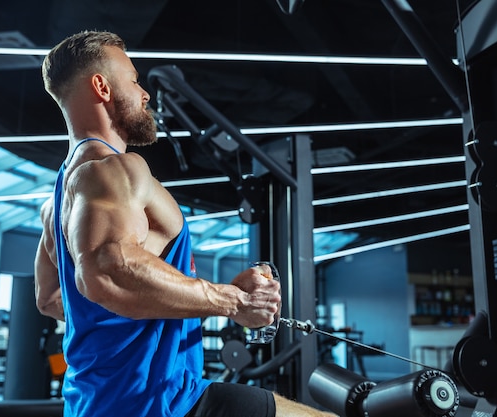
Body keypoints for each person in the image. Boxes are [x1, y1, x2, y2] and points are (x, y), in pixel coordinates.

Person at [34, 30, 335, 417]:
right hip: (160, 402)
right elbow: (108, 271)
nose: (144, 94)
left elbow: (51, 299)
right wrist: (234, 301)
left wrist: (156, 308)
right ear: (101, 87)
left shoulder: (56, 199)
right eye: (134, 79)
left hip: (95, 402)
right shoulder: (115, 170)